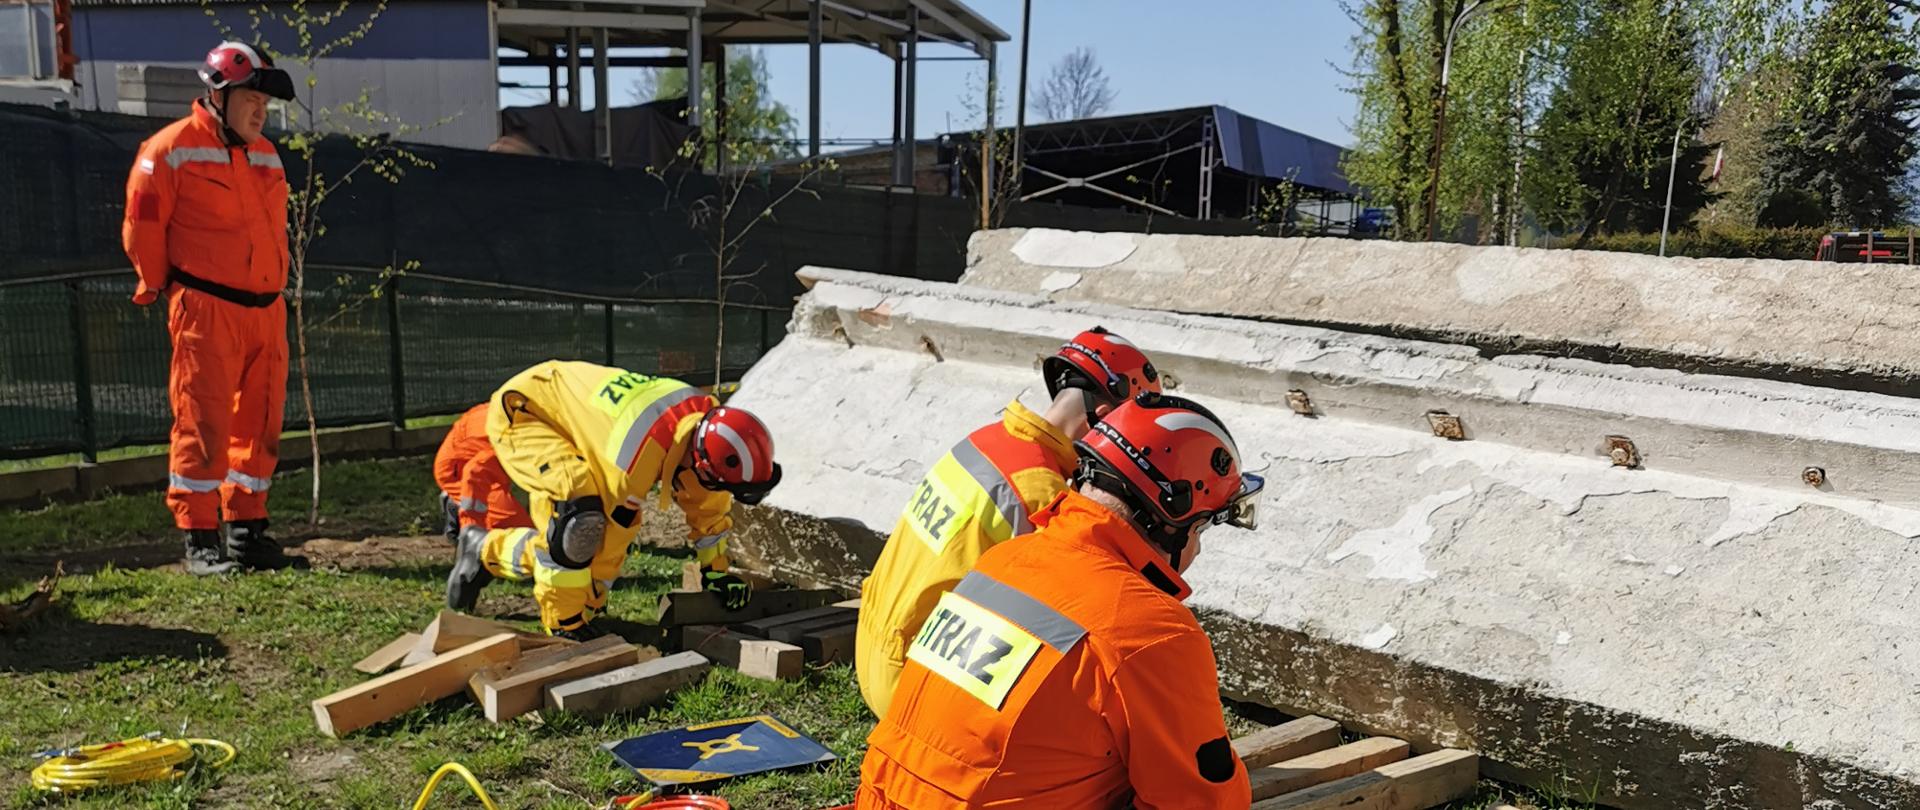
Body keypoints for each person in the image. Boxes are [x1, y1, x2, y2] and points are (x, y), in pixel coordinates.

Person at [856, 393, 1267, 810]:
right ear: (1174, 523)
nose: (1196, 549)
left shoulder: (1004, 560)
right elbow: (1204, 801)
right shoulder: (1153, 631)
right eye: (1202, 528)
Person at [855, 326, 1163, 719]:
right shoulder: (1041, 493)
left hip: (873, 647)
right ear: (1103, 419)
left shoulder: (987, 439)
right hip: (912, 686)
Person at [122, 41, 299, 576]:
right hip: (206, 308)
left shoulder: (266, 153)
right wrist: (156, 285)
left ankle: (247, 530)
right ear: (219, 94)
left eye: (265, 102)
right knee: (203, 421)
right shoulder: (168, 150)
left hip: (266, 311)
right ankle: (201, 537)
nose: (260, 110)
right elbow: (142, 225)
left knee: (261, 424)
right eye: (252, 97)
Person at [445, 360, 782, 639]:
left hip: (566, 409)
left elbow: (708, 503)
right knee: (577, 519)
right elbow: (606, 540)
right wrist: (576, 617)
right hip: (524, 411)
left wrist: (716, 571)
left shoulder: (702, 430)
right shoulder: (633, 459)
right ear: (701, 463)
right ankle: (558, 619)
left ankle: (482, 550)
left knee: (575, 540)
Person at [433, 402, 534, 543]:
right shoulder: (513, 436)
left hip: (486, 446)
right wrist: (471, 530)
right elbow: (474, 471)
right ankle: (459, 505)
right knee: (524, 537)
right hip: (459, 468)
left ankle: (459, 502)